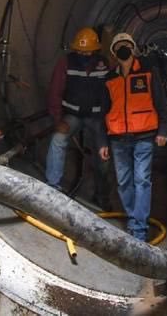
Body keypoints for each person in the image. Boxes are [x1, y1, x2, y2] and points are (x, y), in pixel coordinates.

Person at [99, 33, 167, 242]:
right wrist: (103, 141)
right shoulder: (110, 79)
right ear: (114, 52)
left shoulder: (148, 72)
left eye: (126, 45)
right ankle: (134, 218)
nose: (123, 49)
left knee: (142, 180)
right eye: (118, 46)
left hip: (144, 135)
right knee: (123, 182)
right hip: (118, 138)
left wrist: (163, 130)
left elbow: (160, 101)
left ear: (133, 49)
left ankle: (139, 229)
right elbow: (104, 110)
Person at [45, 27, 112, 208]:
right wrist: (58, 120)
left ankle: (102, 196)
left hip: (96, 117)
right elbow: (55, 91)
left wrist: (108, 120)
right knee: (57, 141)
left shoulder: (104, 64)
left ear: (96, 49)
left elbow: (112, 92)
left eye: (88, 51)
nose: (84, 54)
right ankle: (53, 188)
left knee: (103, 156)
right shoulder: (66, 62)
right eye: (81, 51)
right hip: (72, 115)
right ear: (75, 49)